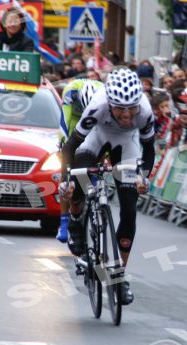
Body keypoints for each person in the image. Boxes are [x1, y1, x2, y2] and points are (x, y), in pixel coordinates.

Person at [60, 68, 156, 305]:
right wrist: (66, 180)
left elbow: (150, 149)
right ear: (110, 103)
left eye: (131, 108)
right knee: (80, 179)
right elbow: (70, 146)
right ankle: (75, 220)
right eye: (120, 109)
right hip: (97, 137)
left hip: (127, 144)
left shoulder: (144, 112)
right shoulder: (98, 106)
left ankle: (118, 277)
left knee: (129, 210)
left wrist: (144, 176)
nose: (126, 115)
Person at [56, 78, 104, 242]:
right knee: (66, 171)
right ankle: (64, 221)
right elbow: (64, 122)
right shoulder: (70, 91)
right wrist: (64, 146)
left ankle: (94, 184)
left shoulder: (104, 96)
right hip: (75, 124)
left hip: (95, 124)